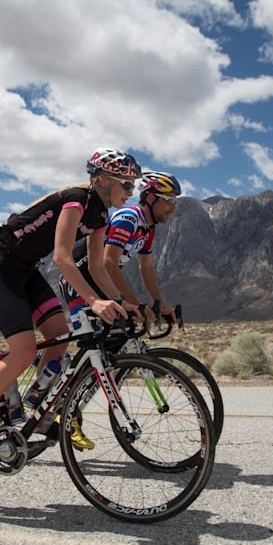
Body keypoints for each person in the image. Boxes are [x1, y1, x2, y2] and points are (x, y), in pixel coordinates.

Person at [0, 148, 139, 466]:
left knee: (60, 338)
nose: (131, 192)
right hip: (2, 268)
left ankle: (34, 411)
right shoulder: (75, 199)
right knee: (24, 352)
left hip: (26, 271)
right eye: (127, 185)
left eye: (134, 186)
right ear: (105, 181)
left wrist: (124, 303)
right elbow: (63, 257)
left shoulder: (100, 217)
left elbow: (96, 269)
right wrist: (94, 301)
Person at [57, 170, 182, 449]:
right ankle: (67, 409)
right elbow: (110, 263)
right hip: (81, 285)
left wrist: (160, 303)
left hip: (103, 287)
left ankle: (75, 398)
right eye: (169, 200)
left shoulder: (147, 228)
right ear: (150, 198)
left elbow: (147, 267)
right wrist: (134, 304)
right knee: (94, 350)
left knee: (113, 348)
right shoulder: (128, 218)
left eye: (176, 202)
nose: (173, 208)